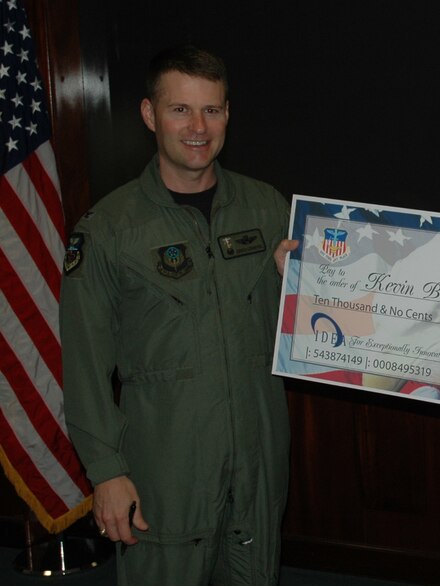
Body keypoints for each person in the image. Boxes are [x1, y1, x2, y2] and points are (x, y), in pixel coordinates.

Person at [61, 45, 298, 585]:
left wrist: (308, 286)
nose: (198, 127)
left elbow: (318, 329)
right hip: (164, 471)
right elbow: (84, 363)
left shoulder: (268, 210)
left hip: (258, 466)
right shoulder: (109, 230)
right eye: (180, 110)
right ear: (150, 114)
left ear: (228, 114)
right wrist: (107, 473)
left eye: (212, 110)